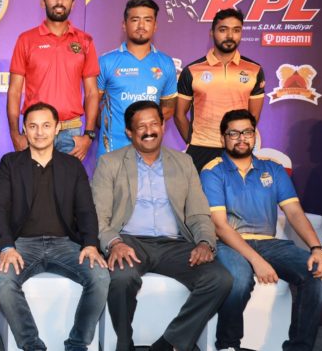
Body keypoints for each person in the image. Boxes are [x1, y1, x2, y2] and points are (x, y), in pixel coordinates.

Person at [92, 101, 232, 351]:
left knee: (219, 278)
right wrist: (114, 243)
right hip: (129, 241)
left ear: (164, 126)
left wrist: (204, 242)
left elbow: (199, 212)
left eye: (154, 124)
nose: (149, 131)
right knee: (122, 278)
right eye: (141, 126)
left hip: (174, 244)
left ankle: (169, 343)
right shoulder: (109, 163)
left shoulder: (184, 162)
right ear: (129, 132)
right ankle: (124, 344)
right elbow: (98, 216)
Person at [200, 109, 322, 351]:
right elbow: (219, 225)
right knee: (237, 280)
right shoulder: (212, 171)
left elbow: (294, 212)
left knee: (318, 274)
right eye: (234, 133)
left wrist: (317, 248)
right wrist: (257, 261)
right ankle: (228, 346)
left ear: (255, 136)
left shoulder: (273, 169)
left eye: (247, 132)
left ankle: (299, 347)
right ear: (222, 139)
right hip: (227, 243)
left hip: (270, 244)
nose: (241, 138)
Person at [0, 102, 109, 351]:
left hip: (65, 244)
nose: (39, 132)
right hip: (22, 245)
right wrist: (6, 246)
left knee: (100, 276)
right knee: (4, 280)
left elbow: (86, 210)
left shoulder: (72, 165)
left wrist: (90, 244)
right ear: (24, 128)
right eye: (32, 126)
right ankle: (32, 345)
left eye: (46, 125)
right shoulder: (10, 163)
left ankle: (77, 344)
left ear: (57, 128)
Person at [8, 0, 99, 161]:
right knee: (33, 189)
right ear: (43, 2)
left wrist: (88, 135)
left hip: (71, 133)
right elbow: (15, 91)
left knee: (66, 189)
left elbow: (91, 92)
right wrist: (15, 134)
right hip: (36, 131)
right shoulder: (26, 39)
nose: (59, 2)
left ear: (73, 3)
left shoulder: (85, 41)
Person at [175, 8, 265, 172]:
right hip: (201, 148)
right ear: (211, 32)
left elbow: (254, 116)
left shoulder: (254, 70)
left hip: (237, 148)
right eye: (223, 30)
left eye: (236, 30)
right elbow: (179, 114)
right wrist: (192, 141)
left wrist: (239, 138)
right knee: (200, 198)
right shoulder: (192, 70)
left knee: (237, 198)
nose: (230, 36)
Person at [96, 0, 177, 158]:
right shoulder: (106, 62)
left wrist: (144, 128)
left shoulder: (166, 63)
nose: (141, 26)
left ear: (155, 26)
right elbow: (92, 104)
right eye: (135, 20)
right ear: (124, 25)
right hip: (112, 151)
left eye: (147, 20)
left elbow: (168, 109)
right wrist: (110, 128)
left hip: (149, 152)